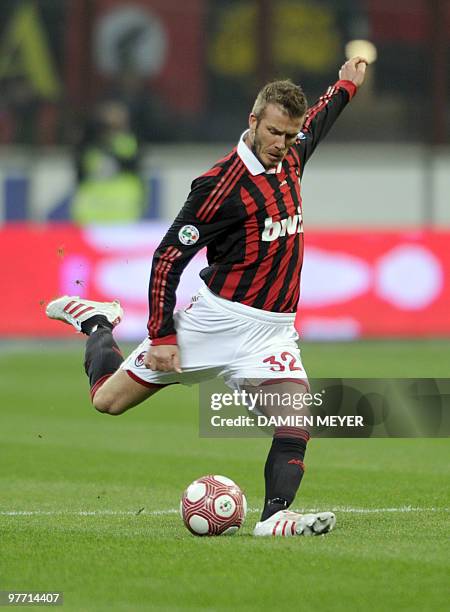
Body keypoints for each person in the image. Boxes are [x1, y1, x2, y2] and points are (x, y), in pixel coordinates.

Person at [47, 57, 367, 537]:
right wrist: (163, 334)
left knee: (297, 419)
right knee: (107, 401)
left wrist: (346, 83)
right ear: (253, 121)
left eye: (290, 134)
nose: (283, 144)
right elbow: (166, 259)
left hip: (273, 332)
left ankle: (273, 517)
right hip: (215, 321)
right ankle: (96, 322)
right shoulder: (219, 186)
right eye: (275, 132)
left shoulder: (293, 152)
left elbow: (321, 116)